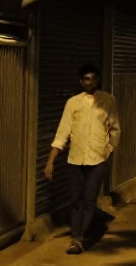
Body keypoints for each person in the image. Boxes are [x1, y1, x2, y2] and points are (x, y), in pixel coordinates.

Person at [44, 63, 121, 255]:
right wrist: (50, 161)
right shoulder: (73, 103)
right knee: (76, 200)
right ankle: (76, 239)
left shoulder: (108, 101)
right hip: (75, 160)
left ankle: (79, 237)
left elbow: (115, 129)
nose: (90, 82)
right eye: (86, 79)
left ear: (99, 80)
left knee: (89, 199)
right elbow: (62, 133)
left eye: (94, 78)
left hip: (97, 159)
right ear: (81, 82)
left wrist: (108, 149)